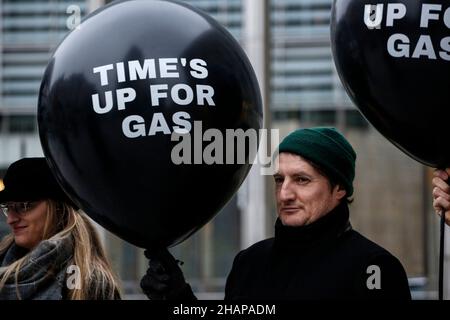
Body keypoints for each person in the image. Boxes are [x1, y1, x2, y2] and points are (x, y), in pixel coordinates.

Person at [140, 127, 411, 300]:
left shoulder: (373, 268)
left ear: (339, 188)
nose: (284, 194)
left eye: (302, 180)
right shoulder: (249, 264)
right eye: (279, 180)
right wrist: (177, 298)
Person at [0, 157, 121, 300]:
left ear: (58, 209)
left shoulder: (92, 283)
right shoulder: (3, 262)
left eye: (24, 206)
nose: (10, 219)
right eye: (8, 207)